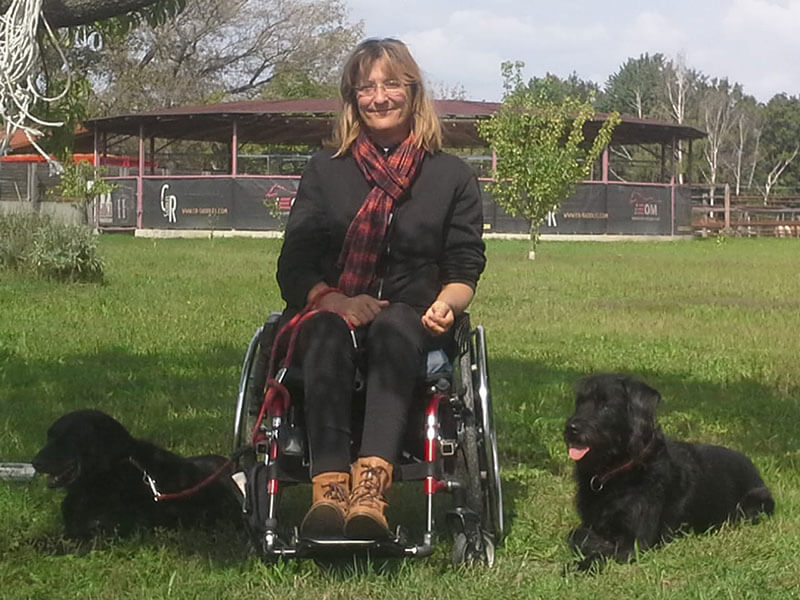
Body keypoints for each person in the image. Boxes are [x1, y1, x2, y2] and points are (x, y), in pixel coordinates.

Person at [275, 37, 486, 540]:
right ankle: (329, 489)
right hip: (332, 313)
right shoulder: (325, 170)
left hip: (414, 320)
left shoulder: (450, 176)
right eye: (366, 87)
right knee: (325, 329)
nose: (379, 97)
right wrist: (336, 300)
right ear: (352, 98)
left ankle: (371, 491)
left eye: (391, 84)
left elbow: (464, 266)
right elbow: (294, 264)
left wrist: (447, 305)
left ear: (413, 92)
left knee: (395, 325)